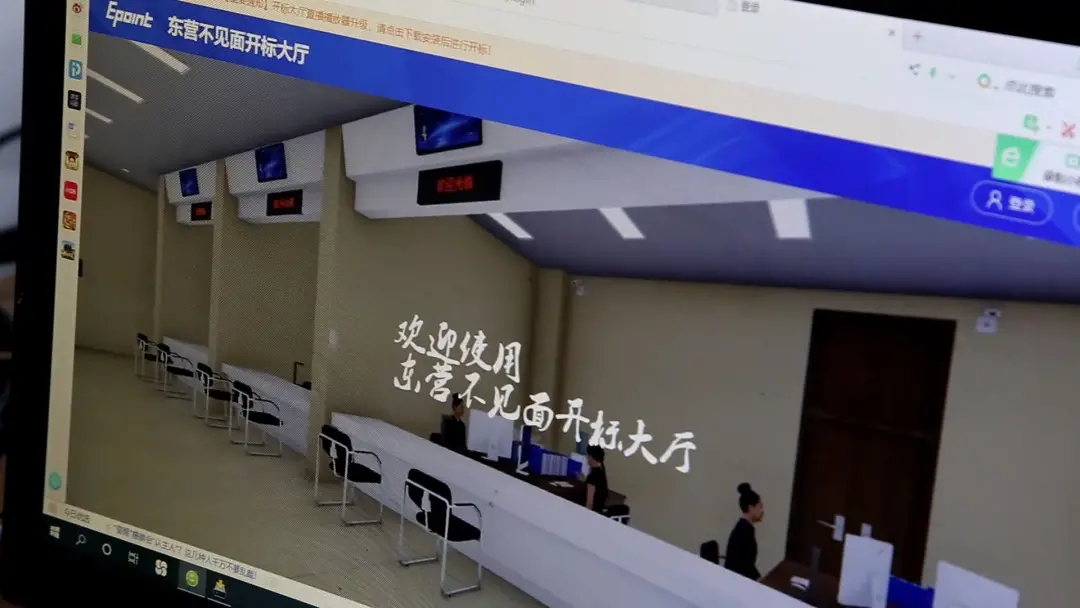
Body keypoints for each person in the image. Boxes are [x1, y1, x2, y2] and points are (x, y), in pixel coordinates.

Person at [724, 482, 765, 580]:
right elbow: (743, 566)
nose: (762, 511)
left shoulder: (744, 528)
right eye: (760, 506)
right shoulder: (744, 531)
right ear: (751, 508)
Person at [584, 445, 609, 513]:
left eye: (588, 455)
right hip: (599, 512)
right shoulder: (601, 473)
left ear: (591, 457)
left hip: (592, 513)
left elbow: (589, 503)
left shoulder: (593, 476)